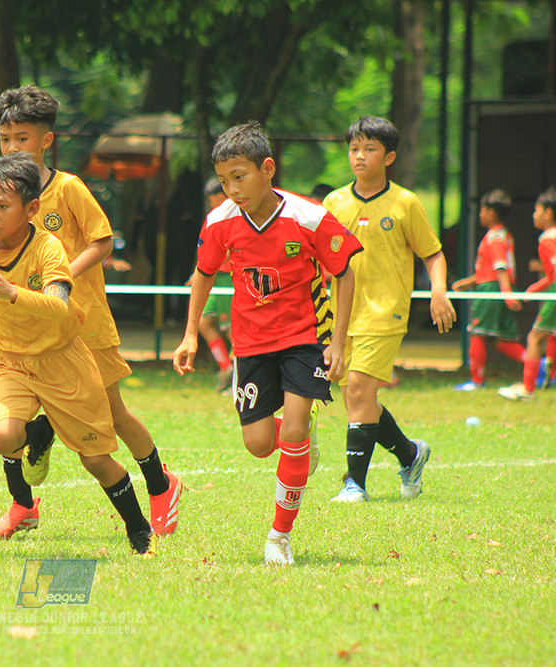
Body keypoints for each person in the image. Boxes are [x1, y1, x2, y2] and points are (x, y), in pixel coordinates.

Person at [0, 153, 156, 556]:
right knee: (2, 435)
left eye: (2, 207)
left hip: (65, 361)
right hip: (13, 361)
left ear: (32, 209)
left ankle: (137, 526)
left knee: (96, 460)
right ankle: (36, 436)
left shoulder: (48, 248)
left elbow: (59, 305)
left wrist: (11, 293)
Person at [0, 85, 182, 536]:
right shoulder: (1, 190)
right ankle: (24, 505)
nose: (12, 147)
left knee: (114, 414)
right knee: (8, 420)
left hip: (83, 324)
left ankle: (160, 484)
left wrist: (61, 277)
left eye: (21, 138)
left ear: (45, 141)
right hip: (29, 329)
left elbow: (103, 241)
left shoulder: (68, 189)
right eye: (4, 139)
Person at [173, 121, 360, 566]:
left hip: (304, 336)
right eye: (223, 181)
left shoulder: (308, 216)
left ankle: (279, 536)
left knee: (293, 427)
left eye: (240, 177)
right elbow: (202, 274)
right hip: (251, 342)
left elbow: (345, 272)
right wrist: (188, 334)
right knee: (258, 443)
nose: (231, 189)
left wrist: (337, 342)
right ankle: (301, 446)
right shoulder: (219, 223)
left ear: (267, 169)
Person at [322, 115, 456, 503]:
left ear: (390, 156)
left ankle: (354, 484)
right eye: (354, 149)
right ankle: (411, 454)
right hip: (342, 315)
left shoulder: (405, 203)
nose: (360, 157)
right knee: (357, 401)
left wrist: (439, 292)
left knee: (361, 391)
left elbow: (432, 253)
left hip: (386, 313)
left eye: (370, 149)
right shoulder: (334, 202)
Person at [451, 189, 526, 390]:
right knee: (499, 339)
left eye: (482, 211)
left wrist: (506, 293)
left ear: (491, 212)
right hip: (494, 286)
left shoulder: (495, 237)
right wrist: (470, 281)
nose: (480, 215)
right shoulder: (502, 235)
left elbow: (500, 268)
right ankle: (535, 363)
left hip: (492, 290)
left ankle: (477, 381)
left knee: (477, 332)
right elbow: (491, 268)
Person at [498, 186, 556, 400]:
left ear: (548, 213)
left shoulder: (547, 238)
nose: (534, 215)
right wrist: (533, 289)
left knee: (535, 337)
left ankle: (527, 389)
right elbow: (551, 276)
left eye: (536, 210)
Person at [198, 177, 235, 391]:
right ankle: (225, 366)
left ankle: (237, 377)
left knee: (231, 330)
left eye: (213, 199)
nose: (211, 204)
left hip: (228, 279)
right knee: (203, 323)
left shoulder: (234, 216)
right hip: (215, 279)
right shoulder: (215, 217)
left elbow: (226, 250)